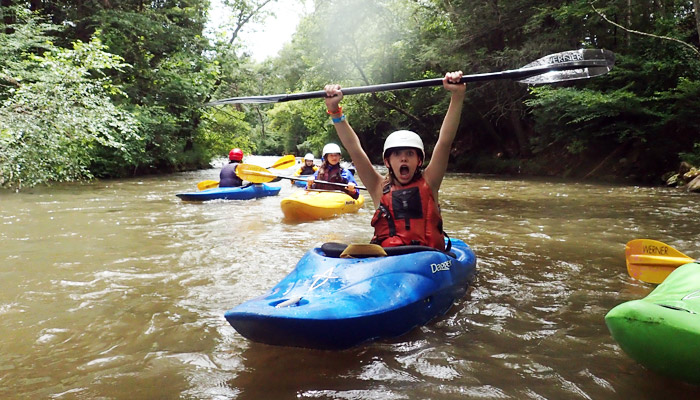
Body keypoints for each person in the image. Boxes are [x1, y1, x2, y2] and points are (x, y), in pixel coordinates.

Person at [323, 71, 466, 251]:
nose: (404, 158)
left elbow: (445, 141)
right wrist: (334, 110)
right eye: (397, 154)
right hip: (390, 260)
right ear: (388, 161)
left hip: (429, 258)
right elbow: (354, 149)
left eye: (410, 154)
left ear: (419, 161)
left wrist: (457, 95)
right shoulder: (377, 186)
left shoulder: (431, 181)